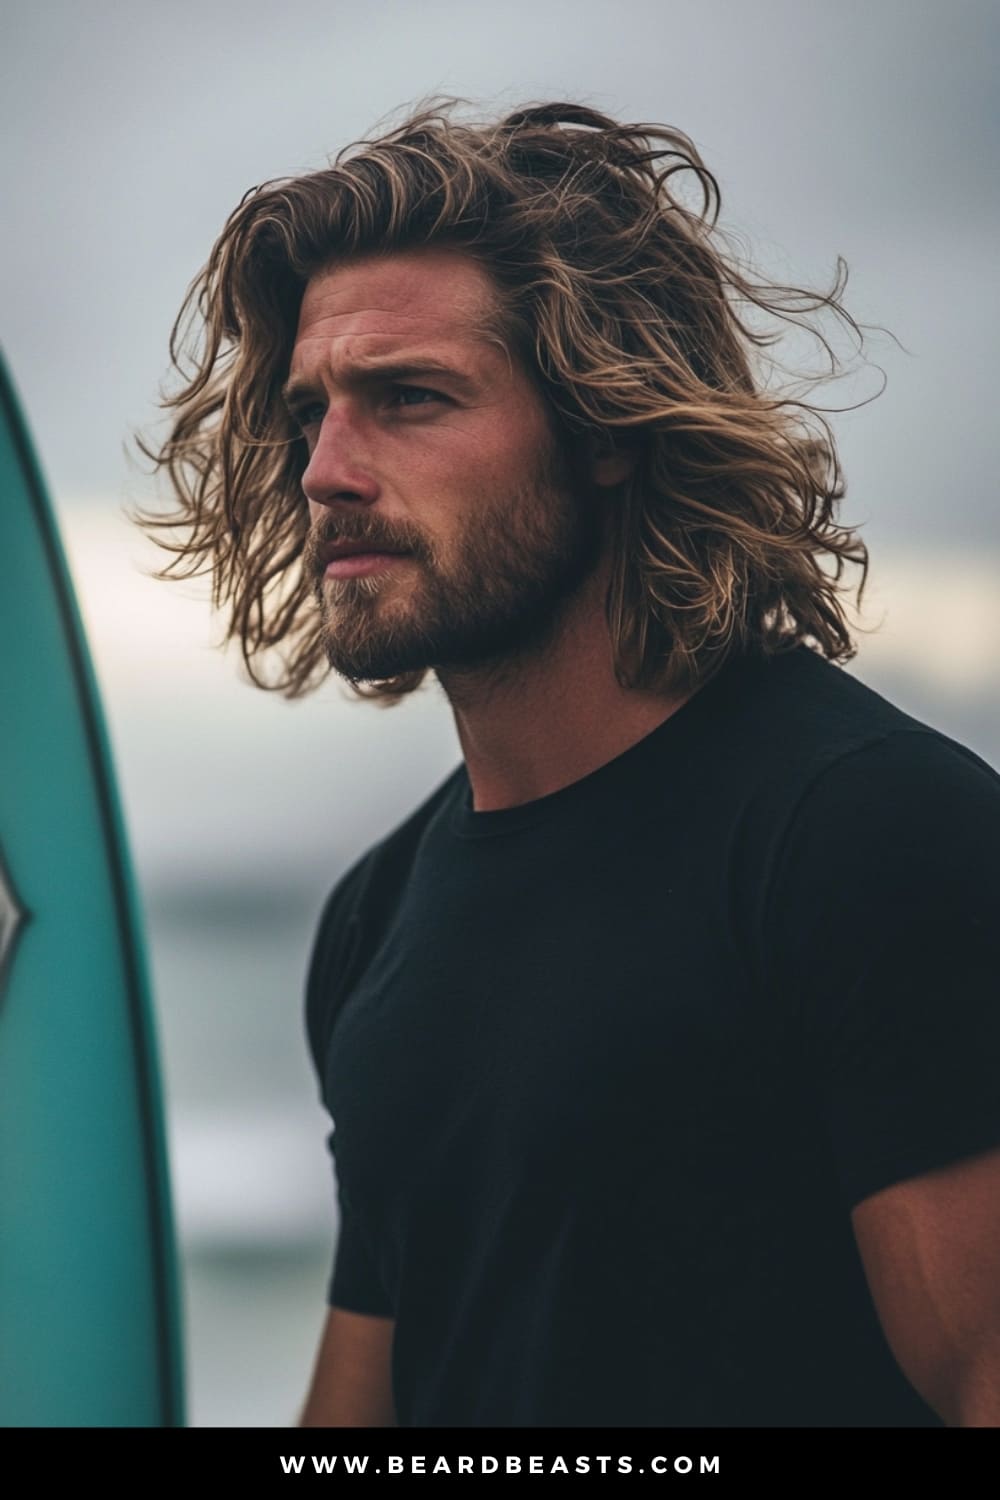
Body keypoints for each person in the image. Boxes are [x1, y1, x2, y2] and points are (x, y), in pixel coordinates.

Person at [133, 98, 1000, 1429]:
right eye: (312, 413)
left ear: (606, 426)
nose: (326, 471)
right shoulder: (376, 917)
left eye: (409, 398)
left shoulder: (870, 836)